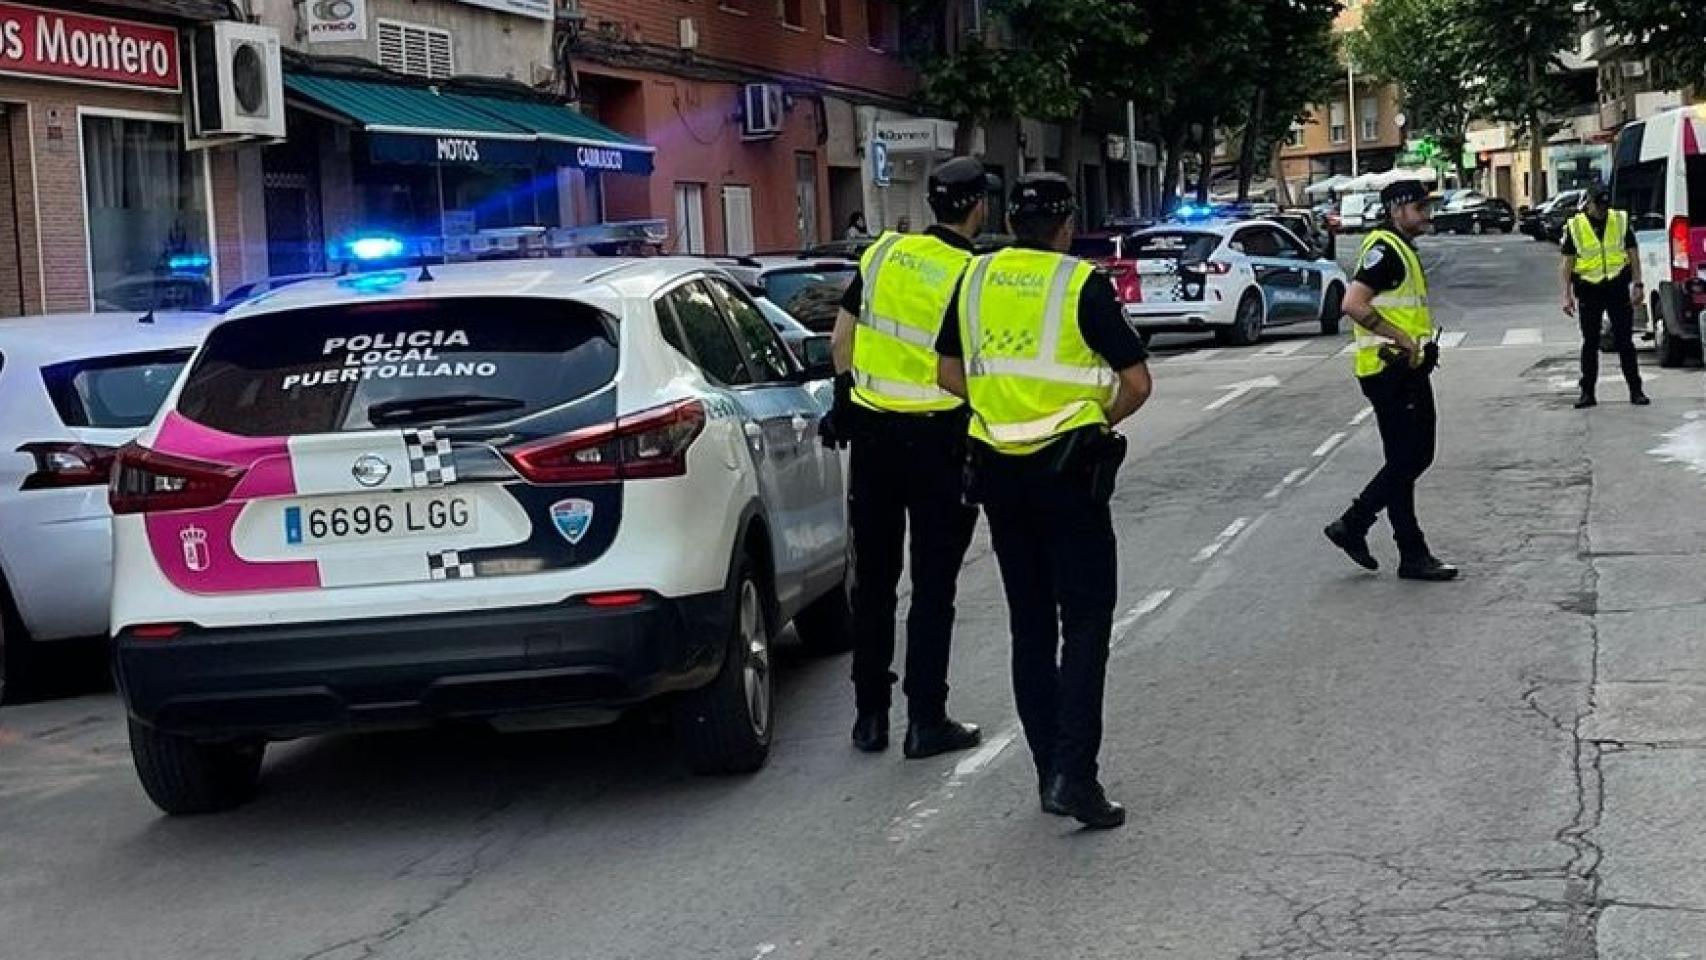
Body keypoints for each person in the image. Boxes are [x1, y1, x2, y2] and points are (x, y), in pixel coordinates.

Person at [936, 173, 1154, 829]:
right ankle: (1076, 777)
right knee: (1085, 624)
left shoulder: (972, 279)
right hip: (1067, 475)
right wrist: (1097, 421)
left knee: (1030, 626)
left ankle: (1046, 772)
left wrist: (1000, 410)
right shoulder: (1078, 283)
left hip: (998, 477)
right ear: (1066, 223)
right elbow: (1137, 382)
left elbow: (947, 372)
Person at [825, 157, 991, 759]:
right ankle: (927, 719)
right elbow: (970, 369)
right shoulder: (971, 275)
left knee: (874, 582)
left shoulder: (884, 255)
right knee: (932, 586)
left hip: (871, 440)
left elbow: (840, 339)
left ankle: (870, 717)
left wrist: (844, 398)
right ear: (978, 206)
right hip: (939, 443)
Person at [1323, 180, 1458, 582]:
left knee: (1405, 459)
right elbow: (1352, 303)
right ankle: (1354, 523)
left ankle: (1410, 551)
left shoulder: (1398, 248)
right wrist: (1400, 339)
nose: (1427, 214)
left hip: (1401, 370)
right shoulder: (1386, 251)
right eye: (1420, 207)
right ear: (1397, 209)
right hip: (1392, 371)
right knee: (1412, 457)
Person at [1562, 186, 1649, 408]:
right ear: (1588, 204)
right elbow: (1567, 263)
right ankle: (1587, 393)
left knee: (1625, 341)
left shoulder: (1619, 221)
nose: (1602, 211)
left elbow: (1633, 254)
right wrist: (1566, 295)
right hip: (1589, 289)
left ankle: (1636, 390)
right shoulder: (1576, 226)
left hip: (1616, 286)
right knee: (1590, 343)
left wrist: (1637, 284)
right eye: (1598, 206)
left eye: (1605, 206)